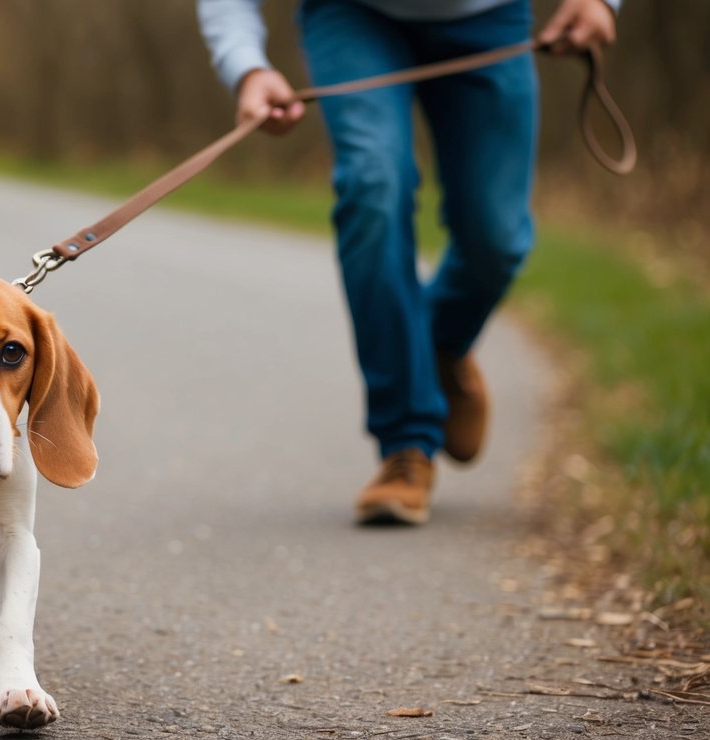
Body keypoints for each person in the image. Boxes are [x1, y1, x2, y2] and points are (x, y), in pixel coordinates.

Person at [197, 0, 619, 525]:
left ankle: (440, 347)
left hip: (491, 17)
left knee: (498, 236)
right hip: (351, 17)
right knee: (372, 187)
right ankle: (406, 445)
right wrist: (247, 66)